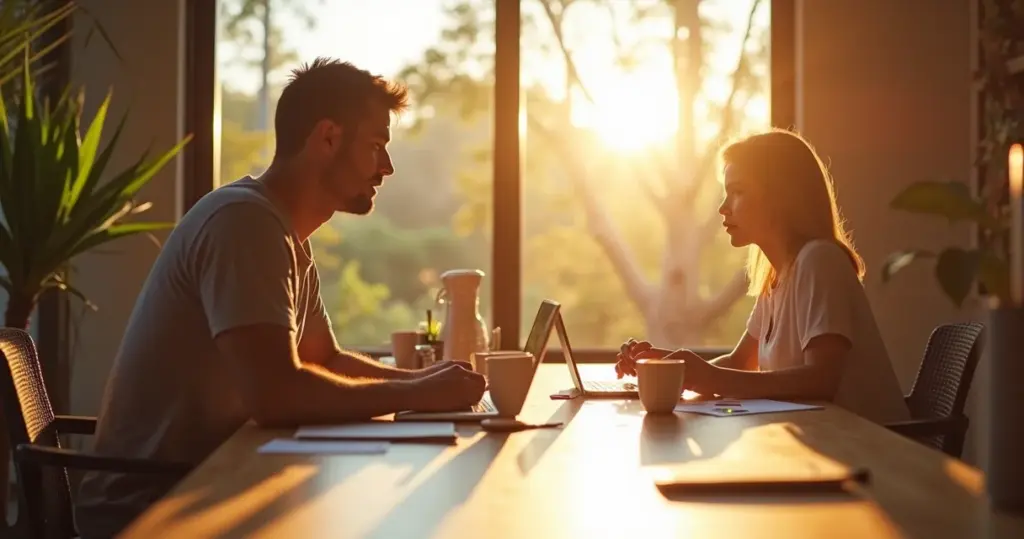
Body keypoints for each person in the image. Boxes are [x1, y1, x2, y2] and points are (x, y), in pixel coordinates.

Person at [74, 57, 486, 538]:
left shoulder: (285, 233)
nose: (387, 167)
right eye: (376, 146)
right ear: (327, 137)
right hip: (153, 507)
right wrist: (416, 392)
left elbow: (324, 359)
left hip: (210, 484)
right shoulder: (243, 224)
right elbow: (276, 394)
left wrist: (425, 381)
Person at [614, 129, 910, 425]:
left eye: (738, 191)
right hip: (824, 441)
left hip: (872, 451)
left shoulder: (820, 261)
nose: (723, 207)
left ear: (781, 197)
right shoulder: (778, 276)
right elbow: (739, 363)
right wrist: (668, 369)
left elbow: (821, 381)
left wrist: (710, 378)